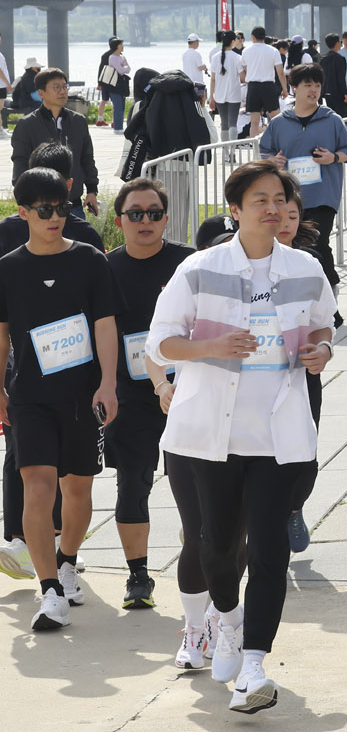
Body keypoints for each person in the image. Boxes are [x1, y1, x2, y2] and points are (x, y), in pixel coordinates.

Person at [148, 163, 335, 708]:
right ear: (234, 209)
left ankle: (254, 663)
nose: (273, 209)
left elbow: (323, 322)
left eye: (280, 199)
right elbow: (160, 344)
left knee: (271, 544)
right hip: (211, 434)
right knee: (218, 544)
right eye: (260, 200)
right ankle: (225, 618)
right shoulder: (199, 269)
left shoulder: (305, 267)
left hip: (278, 434)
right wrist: (210, 347)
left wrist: (320, 350)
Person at [0, 168, 120, 633]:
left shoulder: (90, 259)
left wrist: (108, 383)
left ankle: (67, 563)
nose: (55, 219)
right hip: (30, 396)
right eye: (45, 210)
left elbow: (105, 324)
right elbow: (3, 337)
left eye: (62, 209)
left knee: (78, 488)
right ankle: (48, 589)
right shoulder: (8, 267)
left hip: (81, 394)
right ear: (23, 212)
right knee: (38, 485)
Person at [103, 178, 194, 611]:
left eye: (153, 213)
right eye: (135, 213)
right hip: (131, 394)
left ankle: (200, 547)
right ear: (120, 220)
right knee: (132, 483)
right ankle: (138, 576)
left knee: (196, 483)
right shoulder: (104, 269)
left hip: (191, 389)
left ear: (166, 218)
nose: (145, 221)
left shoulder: (190, 264)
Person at [256, 63, 347, 294]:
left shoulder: (332, 120)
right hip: (289, 197)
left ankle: (330, 288)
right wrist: (273, 162)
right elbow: (265, 151)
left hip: (323, 196)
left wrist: (332, 157)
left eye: (317, 85)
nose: (313, 90)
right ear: (294, 88)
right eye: (307, 85)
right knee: (293, 244)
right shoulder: (280, 122)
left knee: (318, 242)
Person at [9, 69, 100, 213]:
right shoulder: (26, 125)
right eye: (56, 87)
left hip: (74, 205)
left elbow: (87, 159)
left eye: (64, 86)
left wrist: (92, 191)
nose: (62, 91)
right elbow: (20, 165)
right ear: (41, 93)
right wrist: (25, 201)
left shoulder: (78, 121)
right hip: (41, 208)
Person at [238, 26, 287, 139]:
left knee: (254, 122)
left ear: (253, 37)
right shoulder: (273, 50)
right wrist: (284, 89)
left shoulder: (246, 51)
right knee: (276, 119)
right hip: (268, 86)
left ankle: (255, 150)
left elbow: (245, 69)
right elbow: (280, 73)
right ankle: (278, 144)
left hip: (253, 86)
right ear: (264, 37)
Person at [98, 38, 133, 133]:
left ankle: (119, 126)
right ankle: (117, 128)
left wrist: (123, 66)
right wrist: (123, 66)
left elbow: (128, 69)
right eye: (121, 44)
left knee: (121, 106)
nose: (122, 46)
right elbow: (121, 70)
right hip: (114, 84)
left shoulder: (122, 56)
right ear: (116, 46)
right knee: (117, 105)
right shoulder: (112, 57)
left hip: (121, 84)